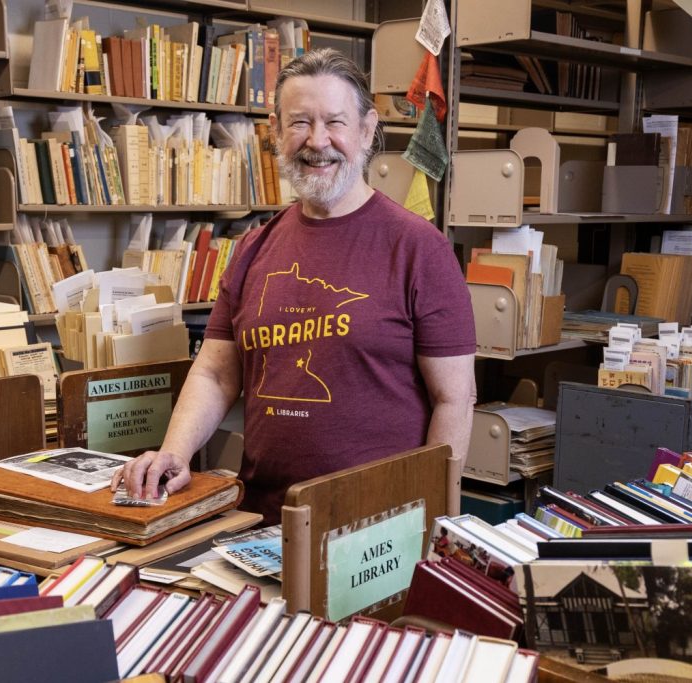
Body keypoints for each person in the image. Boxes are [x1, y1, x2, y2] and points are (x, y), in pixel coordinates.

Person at [113, 48, 476, 524]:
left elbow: (455, 399)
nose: (317, 141)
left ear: (367, 130)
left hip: (374, 531)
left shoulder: (419, 250)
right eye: (300, 122)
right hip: (262, 519)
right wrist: (174, 453)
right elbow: (217, 374)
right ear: (275, 132)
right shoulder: (252, 250)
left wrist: (424, 515)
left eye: (335, 122)